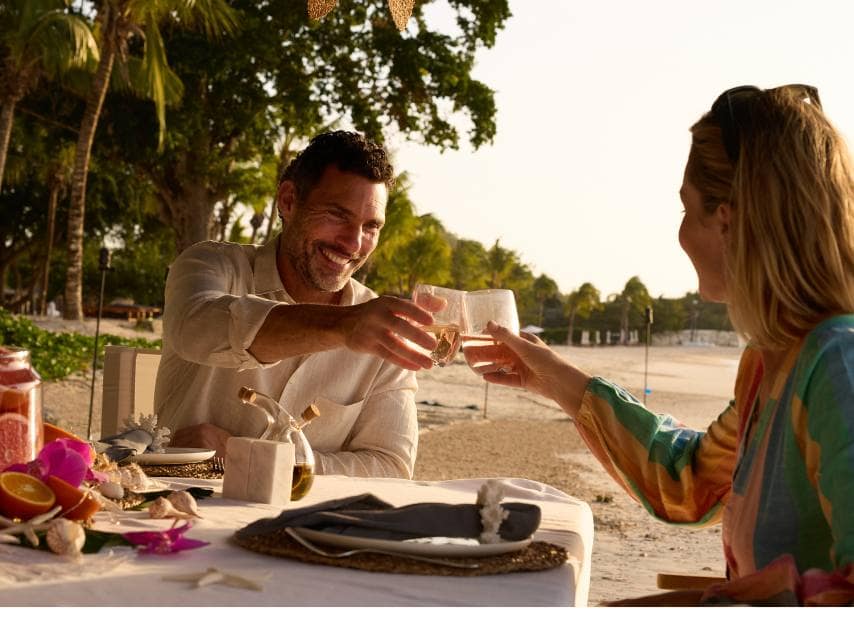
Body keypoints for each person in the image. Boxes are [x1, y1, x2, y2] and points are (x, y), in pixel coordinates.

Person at [465, 85, 854, 605]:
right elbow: (688, 483)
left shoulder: (838, 365)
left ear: (729, 218)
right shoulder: (771, 359)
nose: (680, 234)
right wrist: (553, 376)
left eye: (685, 209)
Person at [154, 130, 439, 478]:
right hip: (181, 513)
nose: (353, 243)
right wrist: (343, 327)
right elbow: (195, 330)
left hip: (312, 530)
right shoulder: (211, 265)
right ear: (288, 201)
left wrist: (252, 458)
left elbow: (390, 467)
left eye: (370, 227)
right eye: (337, 215)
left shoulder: (381, 327)